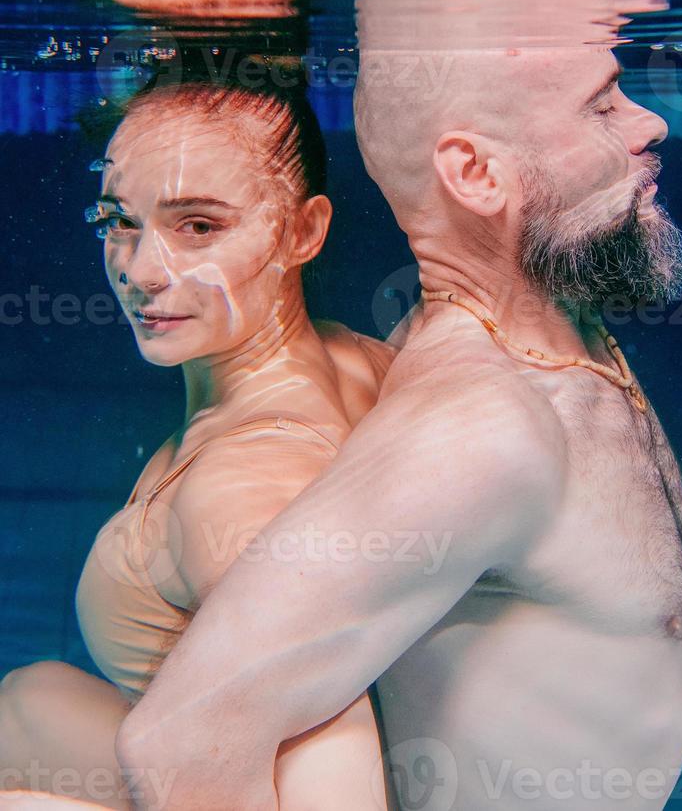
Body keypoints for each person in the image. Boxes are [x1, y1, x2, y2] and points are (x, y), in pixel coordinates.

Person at [112, 30, 682, 810]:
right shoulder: (473, 429)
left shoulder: (548, 331)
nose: (648, 123)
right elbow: (183, 740)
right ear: (476, 174)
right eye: (601, 105)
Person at [0, 70, 394, 811]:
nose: (142, 272)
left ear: (304, 231)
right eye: (119, 219)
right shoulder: (361, 361)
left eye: (200, 226)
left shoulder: (243, 484)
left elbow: (331, 769)